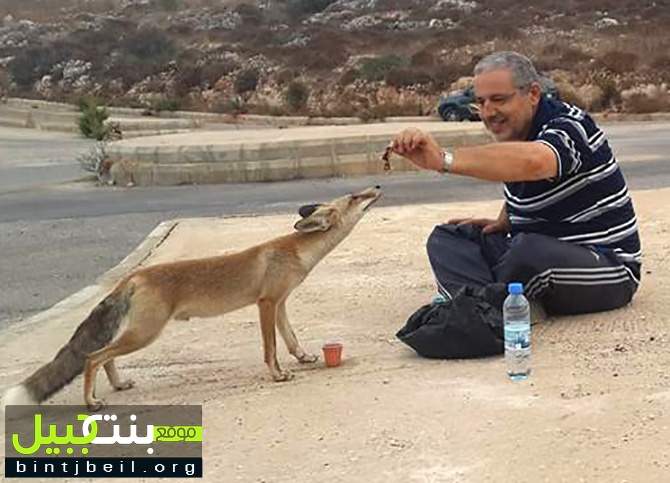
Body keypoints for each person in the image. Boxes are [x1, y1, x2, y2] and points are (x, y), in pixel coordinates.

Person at [390, 51, 641, 316]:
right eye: (481, 102)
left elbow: (535, 163)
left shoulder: (569, 125)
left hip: (607, 269)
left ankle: (480, 306)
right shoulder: (518, 132)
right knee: (450, 238)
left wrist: (443, 159)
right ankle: (481, 307)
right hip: (535, 252)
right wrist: (506, 219)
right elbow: (525, 175)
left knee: (526, 251)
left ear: (533, 94)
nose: (489, 112)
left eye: (499, 100)